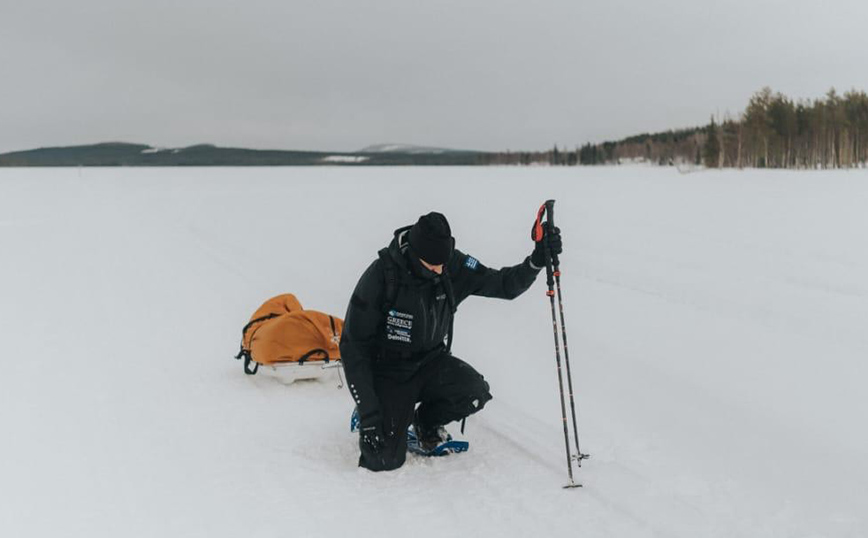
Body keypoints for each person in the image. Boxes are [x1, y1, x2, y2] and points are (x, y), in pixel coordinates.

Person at [339, 211, 562, 471]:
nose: (439, 270)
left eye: (443, 263)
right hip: (389, 372)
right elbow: (353, 346)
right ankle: (379, 408)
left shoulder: (451, 264)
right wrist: (368, 411)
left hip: (431, 361)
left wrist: (535, 262)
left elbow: (503, 285)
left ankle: (425, 422)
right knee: (382, 460)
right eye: (431, 265)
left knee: (475, 392)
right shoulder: (381, 276)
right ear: (413, 254)